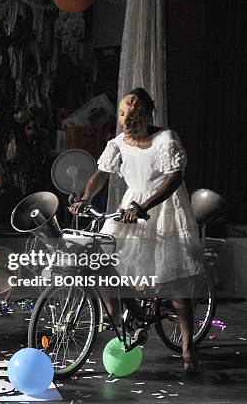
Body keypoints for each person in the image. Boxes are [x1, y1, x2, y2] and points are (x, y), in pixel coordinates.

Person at [69, 88, 204, 373]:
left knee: (175, 283)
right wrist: (86, 197)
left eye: (133, 114)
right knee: (101, 258)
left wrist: (145, 206)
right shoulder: (119, 143)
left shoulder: (165, 139)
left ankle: (188, 349)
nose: (126, 120)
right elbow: (101, 174)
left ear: (146, 114)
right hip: (131, 206)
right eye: (122, 114)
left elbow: (175, 177)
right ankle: (122, 312)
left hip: (163, 207)